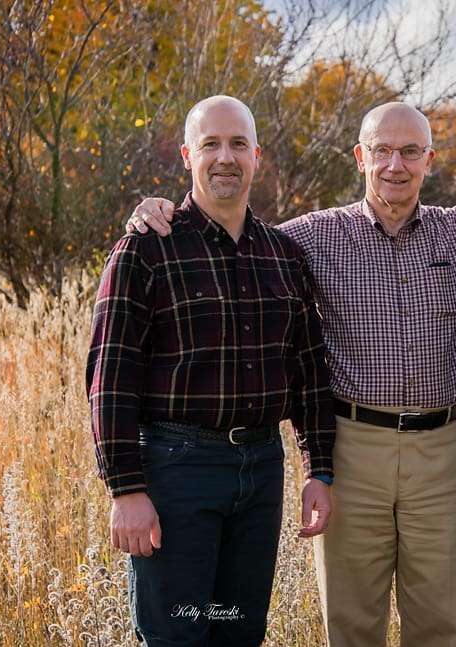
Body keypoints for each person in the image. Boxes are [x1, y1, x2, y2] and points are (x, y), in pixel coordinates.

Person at [128, 101, 456, 646]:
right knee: (353, 626)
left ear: (430, 160)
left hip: (442, 453)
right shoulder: (310, 238)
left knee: (438, 626)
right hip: (353, 451)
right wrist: (161, 211)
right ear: (361, 157)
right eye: (381, 151)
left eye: (409, 152)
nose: (394, 165)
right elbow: (230, 230)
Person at [86, 95, 335, 647]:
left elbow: (308, 370)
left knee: (238, 630)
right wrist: (125, 489)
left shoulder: (285, 256)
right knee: (178, 634)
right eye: (211, 144)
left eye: (238, 144)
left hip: (261, 470)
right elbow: (110, 376)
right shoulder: (146, 249)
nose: (226, 157)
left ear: (257, 157)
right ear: (186, 155)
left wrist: (320, 467)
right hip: (178, 470)